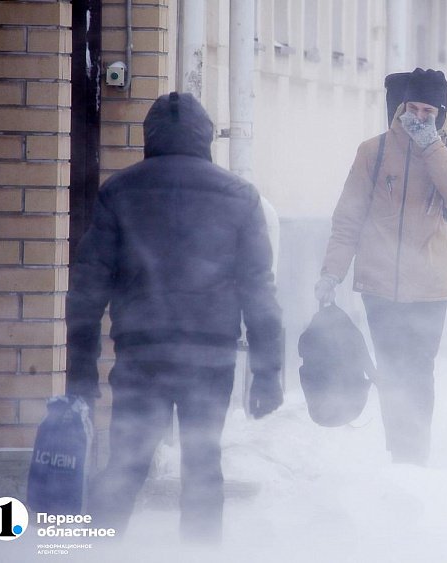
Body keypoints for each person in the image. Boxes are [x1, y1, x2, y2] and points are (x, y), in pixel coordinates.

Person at [65, 92, 284, 542]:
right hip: (210, 356)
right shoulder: (240, 196)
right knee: (203, 465)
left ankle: (90, 552)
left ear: (150, 138)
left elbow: (87, 290)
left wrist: (81, 375)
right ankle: (199, 554)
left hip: (143, 354)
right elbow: (258, 289)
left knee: (126, 462)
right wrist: (267, 373)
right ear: (205, 138)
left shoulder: (119, 191)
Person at [315, 68, 447, 465]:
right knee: (391, 369)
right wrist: (330, 273)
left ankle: (415, 453)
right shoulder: (374, 152)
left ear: (440, 114)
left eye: (429, 112)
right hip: (380, 285)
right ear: (401, 108)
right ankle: (398, 453)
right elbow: (348, 217)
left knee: (419, 371)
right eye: (413, 109)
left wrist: (430, 147)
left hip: (430, 287)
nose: (420, 118)